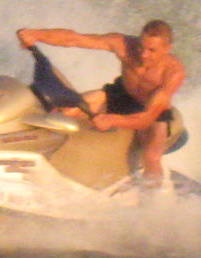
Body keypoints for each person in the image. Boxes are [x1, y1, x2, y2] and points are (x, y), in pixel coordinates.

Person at [18, 20, 186, 188]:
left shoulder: (173, 73)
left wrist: (112, 120)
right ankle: (26, 157)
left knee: (151, 156)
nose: (143, 54)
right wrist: (36, 35)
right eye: (142, 47)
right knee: (64, 113)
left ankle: (152, 199)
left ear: (167, 49)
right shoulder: (124, 44)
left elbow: (146, 119)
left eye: (152, 50)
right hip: (121, 94)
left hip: (152, 110)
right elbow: (75, 39)